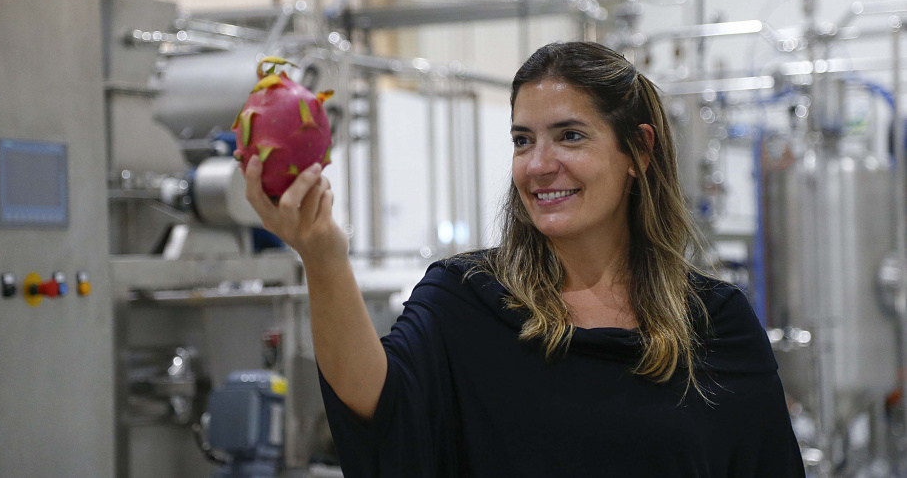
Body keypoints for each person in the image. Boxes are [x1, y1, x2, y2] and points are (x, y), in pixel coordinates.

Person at [243, 41, 806, 477]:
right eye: (521, 139)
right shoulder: (465, 298)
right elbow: (377, 406)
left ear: (638, 150)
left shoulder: (713, 323)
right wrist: (323, 257)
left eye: (570, 136)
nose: (538, 164)